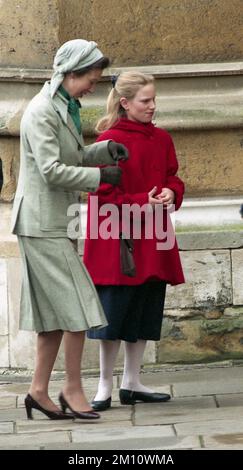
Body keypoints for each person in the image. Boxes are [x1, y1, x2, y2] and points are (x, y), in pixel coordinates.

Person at [11, 39, 128, 420]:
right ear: (70, 73)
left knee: (54, 317)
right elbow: (51, 171)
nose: (93, 86)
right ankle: (72, 389)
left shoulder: (65, 106)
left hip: (54, 221)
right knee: (79, 309)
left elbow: (71, 157)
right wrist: (101, 176)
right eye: (90, 79)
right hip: (41, 223)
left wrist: (105, 150)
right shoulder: (42, 111)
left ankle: (38, 391)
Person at [84, 71, 185, 411]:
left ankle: (132, 381)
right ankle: (103, 386)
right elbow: (103, 198)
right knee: (112, 314)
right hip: (117, 239)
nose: (153, 106)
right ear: (125, 103)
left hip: (152, 237)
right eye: (146, 101)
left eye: (154, 99)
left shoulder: (162, 138)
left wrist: (173, 191)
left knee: (145, 307)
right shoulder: (107, 142)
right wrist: (145, 201)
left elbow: (172, 175)